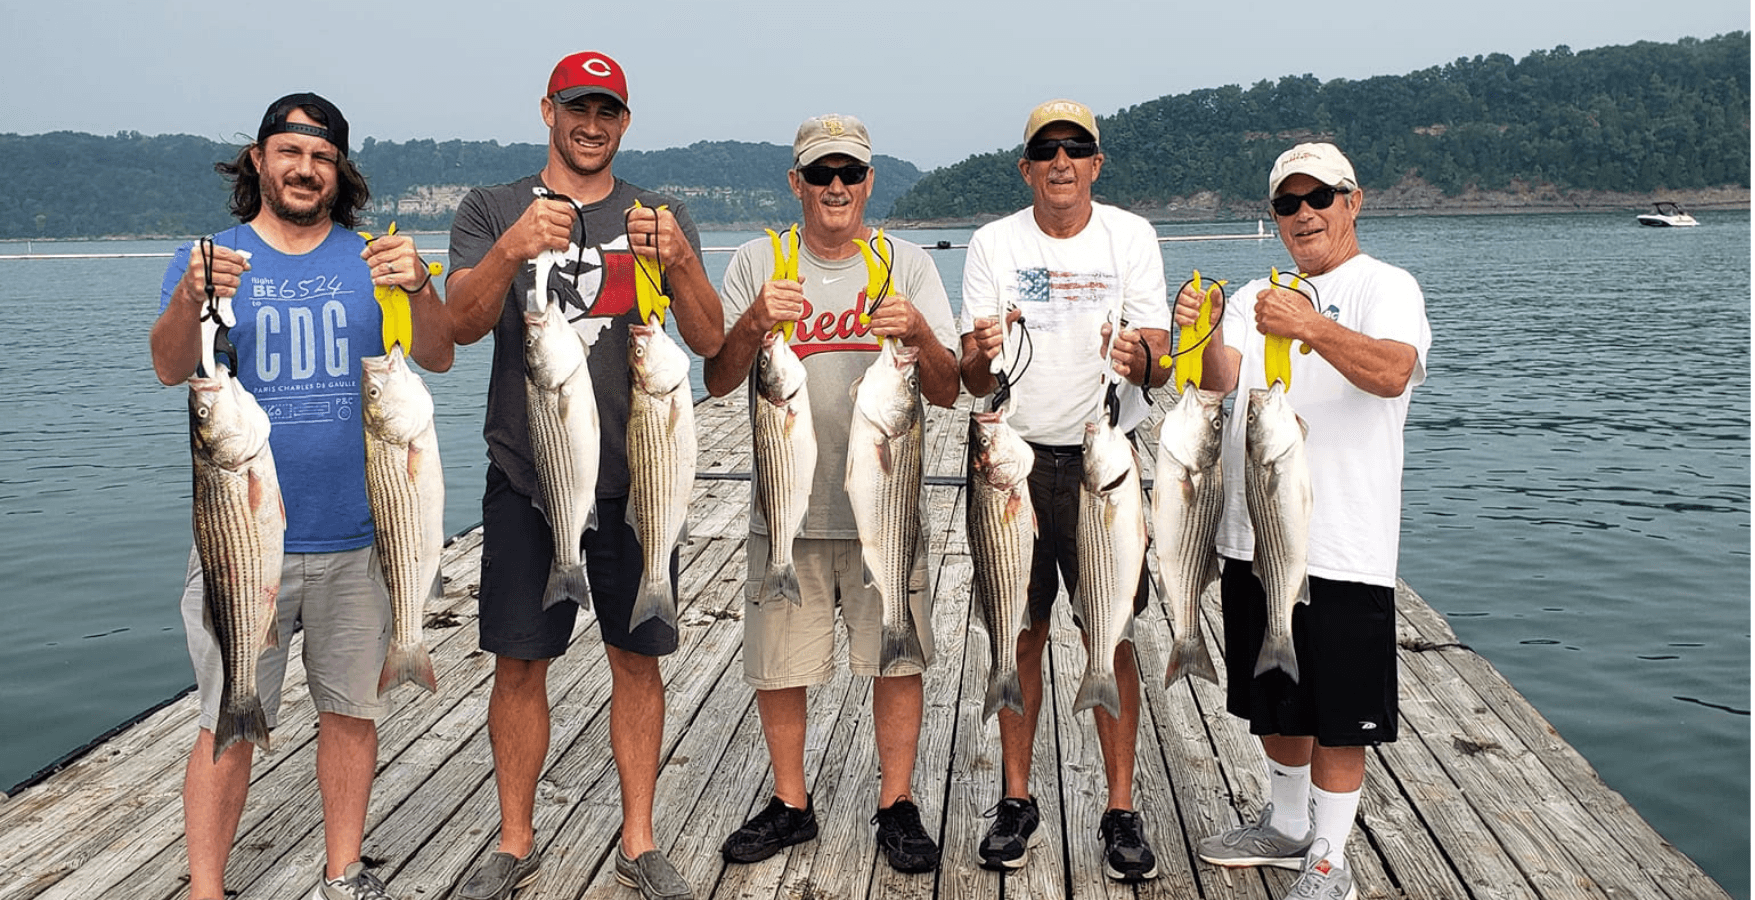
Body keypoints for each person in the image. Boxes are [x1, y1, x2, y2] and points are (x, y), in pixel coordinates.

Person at [151, 92, 453, 900]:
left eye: (321, 158)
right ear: (258, 160)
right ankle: (207, 888)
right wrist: (188, 294)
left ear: (339, 173)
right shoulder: (214, 260)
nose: (304, 169)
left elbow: (439, 354)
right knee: (225, 722)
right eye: (289, 152)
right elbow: (171, 367)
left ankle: (343, 872)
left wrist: (422, 284)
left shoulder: (372, 259)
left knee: (351, 714)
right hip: (239, 541)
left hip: (362, 535)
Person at [443, 52, 722, 900]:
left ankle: (639, 842)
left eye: (607, 111)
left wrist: (677, 264)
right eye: (576, 107)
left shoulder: (658, 212)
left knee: (636, 659)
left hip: (641, 477)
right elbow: (455, 325)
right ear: (547, 110)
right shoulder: (489, 207)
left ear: (624, 122)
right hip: (531, 479)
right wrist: (511, 251)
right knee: (519, 664)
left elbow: (708, 342)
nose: (590, 124)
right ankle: (515, 839)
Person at [703, 114, 960, 874]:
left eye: (849, 173)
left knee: (897, 659)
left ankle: (896, 802)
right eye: (820, 175)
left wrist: (919, 332)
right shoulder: (758, 260)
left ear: (869, 182)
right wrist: (752, 323)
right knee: (779, 661)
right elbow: (717, 380)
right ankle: (791, 802)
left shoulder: (905, 264)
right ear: (797, 184)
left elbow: (946, 390)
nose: (836, 188)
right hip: (787, 508)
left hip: (886, 504)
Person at [1181, 142, 1431, 900]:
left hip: (1344, 539)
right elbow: (1219, 383)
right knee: (1275, 694)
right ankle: (1286, 826)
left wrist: (1309, 326)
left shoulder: (1385, 286)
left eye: (1317, 197)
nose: (1303, 215)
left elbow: (1391, 373)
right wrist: (1202, 335)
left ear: (1352, 201)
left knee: (1338, 713)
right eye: (1286, 204)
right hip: (1250, 531)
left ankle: (1328, 855)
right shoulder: (1260, 290)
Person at [958, 99, 1172, 883]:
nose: (1059, 162)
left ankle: (1120, 808)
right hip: (1010, 462)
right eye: (1044, 150)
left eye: (1074, 149)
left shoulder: (1131, 236)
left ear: (1095, 164)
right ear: (1025, 167)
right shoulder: (991, 242)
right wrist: (979, 353)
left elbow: (1161, 363)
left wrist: (1142, 355)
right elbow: (971, 378)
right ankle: (1017, 802)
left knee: (1108, 634)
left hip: (1103, 467)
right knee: (1019, 631)